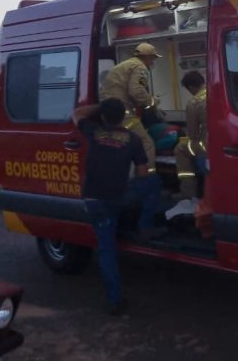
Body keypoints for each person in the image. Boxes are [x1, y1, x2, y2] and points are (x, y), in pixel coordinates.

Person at [72, 98, 150, 315]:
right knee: (151, 185)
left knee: (107, 250)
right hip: (118, 200)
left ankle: (115, 300)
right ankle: (143, 226)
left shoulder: (93, 131)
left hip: (94, 201)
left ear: (103, 117)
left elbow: (77, 112)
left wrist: (101, 107)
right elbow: (143, 173)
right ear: (123, 116)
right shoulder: (133, 139)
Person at [99, 42, 161, 173]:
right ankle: (148, 177)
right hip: (122, 112)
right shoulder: (140, 67)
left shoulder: (126, 65)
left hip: (110, 111)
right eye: (153, 58)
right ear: (147, 57)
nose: (153, 62)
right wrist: (153, 101)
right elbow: (136, 91)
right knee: (146, 142)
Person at [168, 70, 208, 221]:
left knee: (181, 149)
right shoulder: (216, 92)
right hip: (221, 141)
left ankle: (188, 194)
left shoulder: (194, 102)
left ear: (191, 87)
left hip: (207, 147)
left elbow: (192, 134)